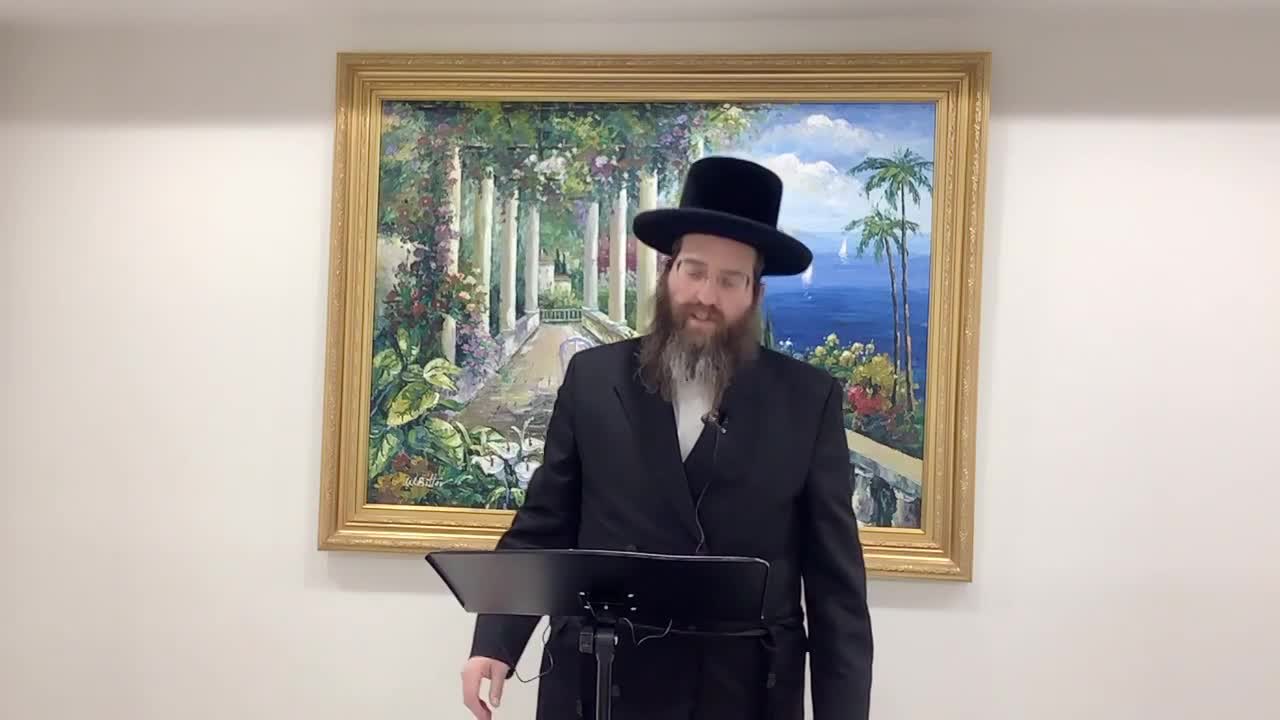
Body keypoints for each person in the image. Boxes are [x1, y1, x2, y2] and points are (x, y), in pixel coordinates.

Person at [460, 156, 873, 720]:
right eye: (694, 271)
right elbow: (545, 525)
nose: (707, 295)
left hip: (742, 692)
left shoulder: (808, 399)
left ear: (754, 293)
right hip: (601, 682)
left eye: (730, 280)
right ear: (667, 271)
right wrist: (495, 642)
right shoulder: (593, 378)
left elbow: (835, 591)